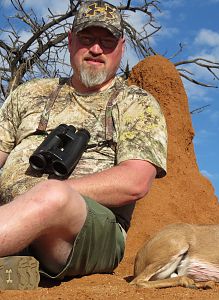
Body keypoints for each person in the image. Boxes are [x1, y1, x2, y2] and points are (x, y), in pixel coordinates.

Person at [0, 0, 167, 289]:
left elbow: (135, 182)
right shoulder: (29, 93)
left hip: (89, 231)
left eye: (107, 41)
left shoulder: (136, 103)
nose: (96, 49)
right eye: (87, 38)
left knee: (53, 195)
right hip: (13, 220)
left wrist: (48, 194)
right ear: (70, 41)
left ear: (122, 47)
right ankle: (16, 266)